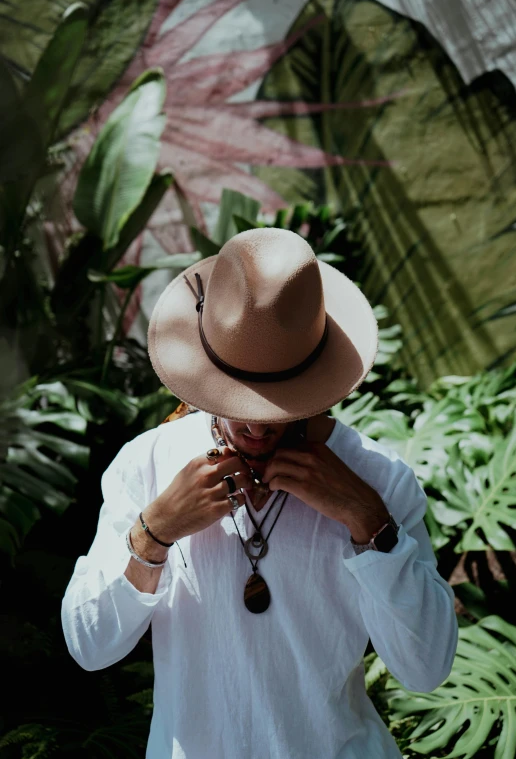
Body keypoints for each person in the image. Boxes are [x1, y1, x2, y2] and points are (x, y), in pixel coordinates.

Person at [62, 228, 458, 759]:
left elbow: (426, 667)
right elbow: (89, 648)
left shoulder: (377, 476)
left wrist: (369, 522)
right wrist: (153, 533)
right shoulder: (149, 463)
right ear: (207, 376)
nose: (255, 428)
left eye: (278, 405)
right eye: (238, 401)